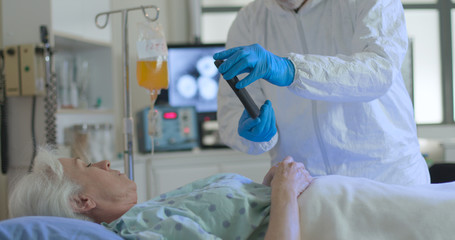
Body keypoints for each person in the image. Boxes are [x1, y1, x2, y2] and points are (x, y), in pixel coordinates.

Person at [213, 0, 430, 185]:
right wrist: (255, 135)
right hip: (307, 188)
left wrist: (293, 70)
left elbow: (379, 70)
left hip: (387, 178)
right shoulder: (249, 21)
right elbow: (231, 112)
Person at [8, 148, 312, 240]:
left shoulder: (141, 217)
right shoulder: (146, 236)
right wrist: (284, 191)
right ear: (82, 201)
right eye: (88, 165)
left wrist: (266, 190)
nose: (105, 162)